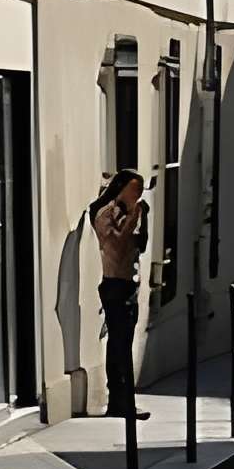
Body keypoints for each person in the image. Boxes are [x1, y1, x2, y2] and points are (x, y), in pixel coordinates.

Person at [88, 171, 148, 419]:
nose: (138, 195)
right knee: (119, 345)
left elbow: (138, 246)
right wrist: (134, 217)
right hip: (114, 284)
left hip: (129, 285)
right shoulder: (106, 214)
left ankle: (124, 401)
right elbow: (119, 247)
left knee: (124, 344)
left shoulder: (129, 213)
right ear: (121, 188)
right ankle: (119, 402)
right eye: (135, 189)